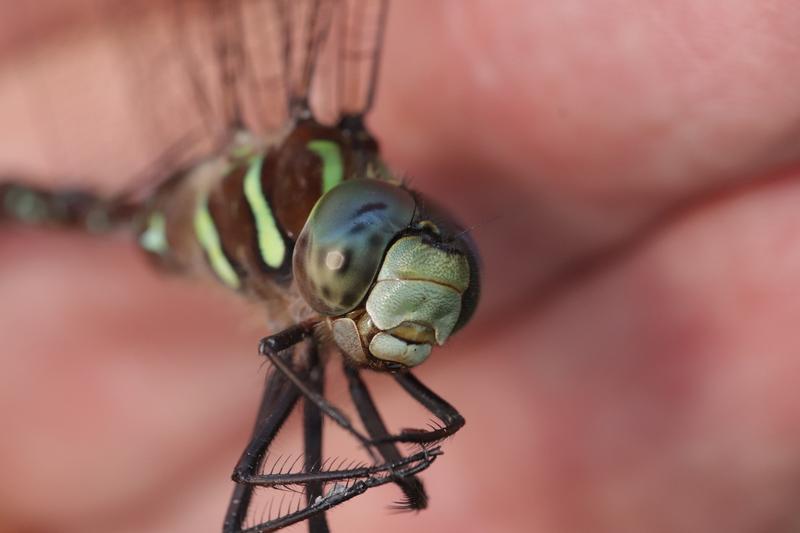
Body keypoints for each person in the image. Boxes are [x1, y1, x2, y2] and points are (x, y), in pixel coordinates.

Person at [1, 1, 799, 532]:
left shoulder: (333, 269)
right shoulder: (307, 284)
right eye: (361, 272)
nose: (413, 311)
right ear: (323, 260)